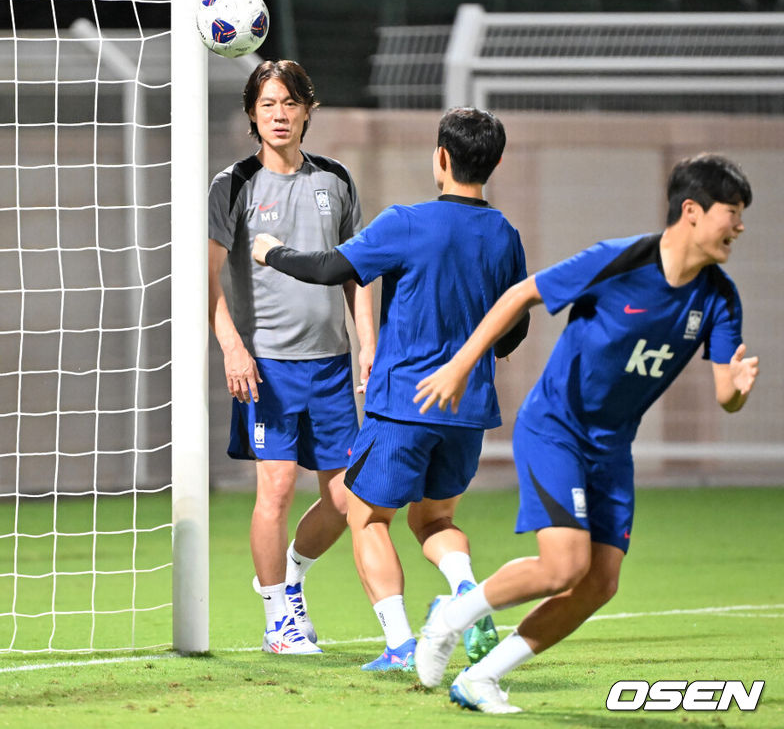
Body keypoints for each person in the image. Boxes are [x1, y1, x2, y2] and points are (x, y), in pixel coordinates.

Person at [411, 153, 759, 713]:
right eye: (733, 212)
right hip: (555, 430)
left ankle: (482, 678)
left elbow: (726, 397)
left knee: (600, 583)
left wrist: (738, 387)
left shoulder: (719, 297)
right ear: (691, 211)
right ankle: (450, 617)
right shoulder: (621, 261)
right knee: (563, 566)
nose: (740, 226)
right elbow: (520, 295)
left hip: (612, 448)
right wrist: (459, 365)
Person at [253, 107, 530, 671]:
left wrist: (269, 252)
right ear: (495, 163)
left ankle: (402, 644)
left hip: (404, 404)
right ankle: (467, 595)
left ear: (442, 157)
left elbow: (332, 268)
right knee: (435, 521)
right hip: (468, 410)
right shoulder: (504, 234)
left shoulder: (407, 222)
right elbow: (514, 327)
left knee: (367, 517)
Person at [208, 59, 376, 654]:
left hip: (330, 364)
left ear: (309, 109)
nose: (279, 115)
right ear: (252, 114)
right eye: (267, 104)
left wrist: (367, 348)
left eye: (289, 103)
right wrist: (232, 348)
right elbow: (208, 282)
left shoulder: (336, 179)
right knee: (275, 492)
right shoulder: (233, 184)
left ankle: (291, 576)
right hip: (266, 367)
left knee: (344, 498)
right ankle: (276, 617)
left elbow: (356, 275)